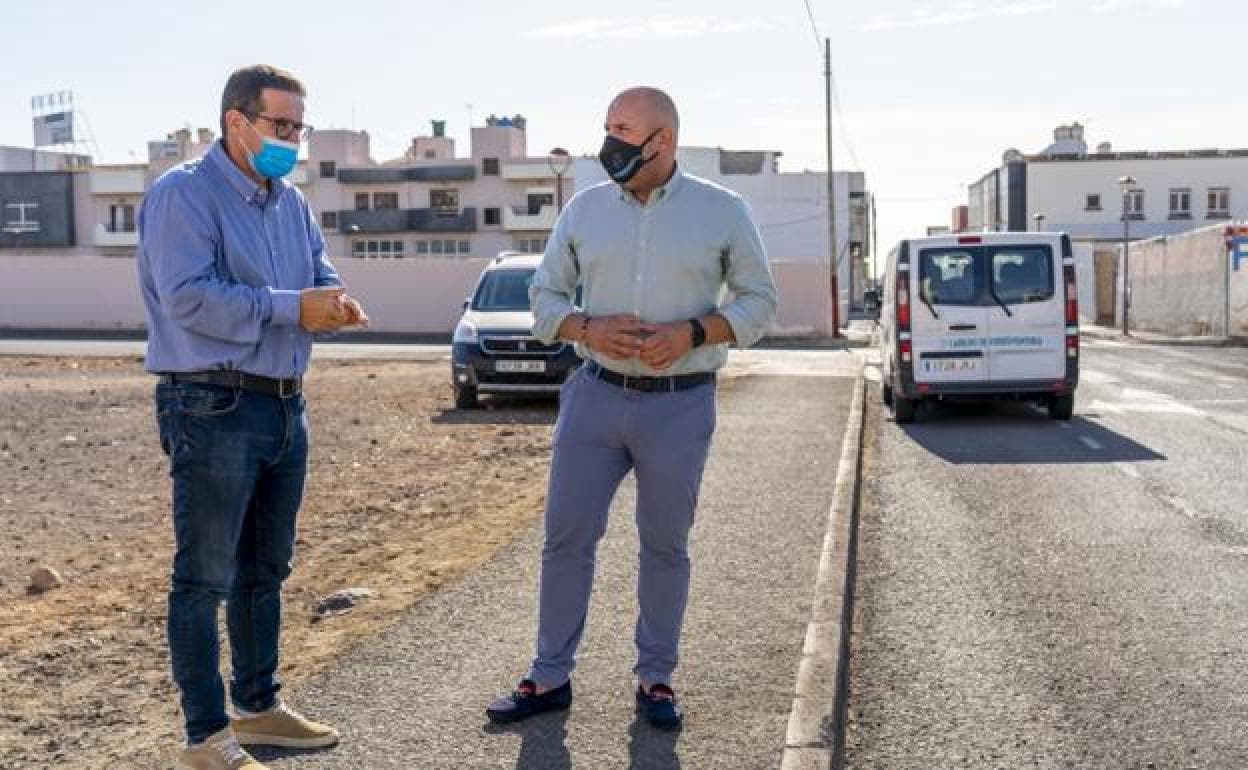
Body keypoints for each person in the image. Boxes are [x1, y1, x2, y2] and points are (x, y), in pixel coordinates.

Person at [486, 86, 778, 730]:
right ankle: (549, 675)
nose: (609, 140)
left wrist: (697, 333)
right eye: (607, 126)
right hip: (593, 397)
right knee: (566, 538)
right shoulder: (584, 210)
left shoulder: (723, 211)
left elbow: (761, 303)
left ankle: (656, 679)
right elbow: (544, 298)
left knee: (665, 545)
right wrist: (583, 328)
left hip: (681, 404)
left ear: (662, 141)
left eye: (623, 128)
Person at [137, 64, 368, 770]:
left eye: (300, 127)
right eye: (281, 126)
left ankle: (260, 708)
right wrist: (289, 305)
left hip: (282, 403)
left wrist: (330, 300)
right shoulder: (184, 194)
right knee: (202, 577)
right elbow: (188, 299)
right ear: (236, 122)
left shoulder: (290, 202)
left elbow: (316, 274)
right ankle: (205, 739)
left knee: (265, 567)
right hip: (211, 401)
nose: (293, 140)